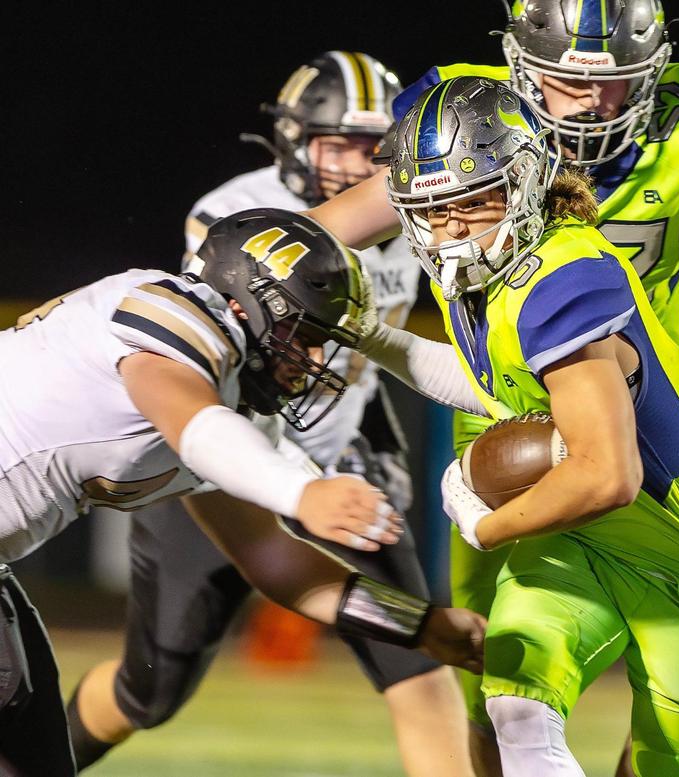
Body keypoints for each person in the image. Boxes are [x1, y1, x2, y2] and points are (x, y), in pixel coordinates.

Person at [306, 4, 679, 771]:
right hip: (516, 423)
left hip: (646, 439)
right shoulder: (466, 141)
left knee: (667, 711)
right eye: (568, 81)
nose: (594, 103)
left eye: (616, 82)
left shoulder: (657, 161)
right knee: (503, 679)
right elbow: (311, 241)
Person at [65, 52, 472, 777]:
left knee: (417, 655)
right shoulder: (236, 215)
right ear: (293, 138)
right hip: (221, 469)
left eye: (373, 148)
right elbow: (237, 371)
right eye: (338, 142)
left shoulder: (410, 215)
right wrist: (297, 483)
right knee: (150, 689)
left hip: (334, 465)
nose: (357, 165)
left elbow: (350, 353)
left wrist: (373, 441)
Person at [355, 75, 679, 777]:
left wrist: (484, 523)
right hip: (579, 534)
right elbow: (489, 384)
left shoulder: (560, 276)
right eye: (433, 209)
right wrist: (364, 334)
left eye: (473, 200)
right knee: (516, 696)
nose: (452, 230)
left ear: (526, 180)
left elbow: (609, 474)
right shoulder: (490, 268)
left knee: (669, 765)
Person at [0, 207, 485, 777]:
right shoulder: (168, 313)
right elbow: (193, 423)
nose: (309, 363)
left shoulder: (233, 410)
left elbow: (275, 561)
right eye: (301, 336)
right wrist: (302, 492)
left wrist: (420, 624)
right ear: (242, 303)